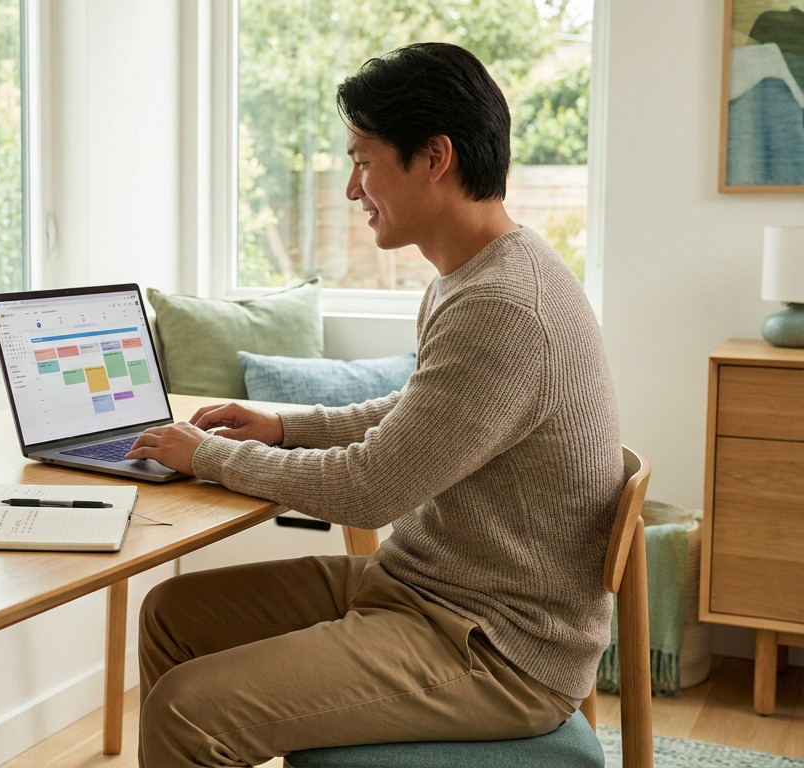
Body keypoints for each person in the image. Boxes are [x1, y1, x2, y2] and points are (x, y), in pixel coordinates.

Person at [125, 42, 622, 767]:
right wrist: (287, 424)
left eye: (363, 160)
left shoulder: (508, 306)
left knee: (186, 712)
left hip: (495, 646)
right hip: (426, 588)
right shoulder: (473, 275)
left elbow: (372, 488)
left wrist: (212, 456)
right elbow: (423, 415)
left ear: (434, 157)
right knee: (173, 614)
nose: (353, 189)